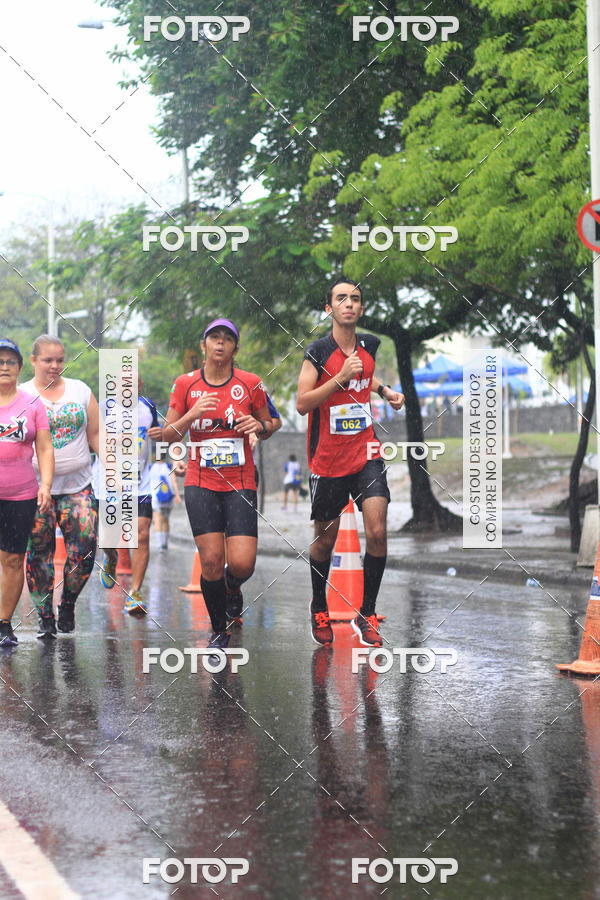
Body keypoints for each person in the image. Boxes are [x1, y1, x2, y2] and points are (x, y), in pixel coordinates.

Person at [296, 278, 404, 647]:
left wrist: (385, 390)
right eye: (341, 299)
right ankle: (319, 605)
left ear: (361, 308)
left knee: (376, 531)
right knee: (324, 543)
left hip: (366, 453)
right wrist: (339, 378)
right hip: (327, 460)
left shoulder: (369, 345)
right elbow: (302, 402)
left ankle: (367, 611)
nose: (349, 304)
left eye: (355, 299)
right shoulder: (318, 351)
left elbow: (367, 374)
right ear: (329, 308)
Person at [163, 318, 274, 657]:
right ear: (204, 346)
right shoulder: (185, 384)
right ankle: (217, 630)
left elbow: (272, 421)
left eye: (228, 339)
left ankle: (231, 586)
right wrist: (191, 414)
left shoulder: (250, 383)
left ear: (234, 349)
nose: (221, 344)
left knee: (242, 564)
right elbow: (168, 433)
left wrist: (260, 424)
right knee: (211, 561)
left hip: (240, 481)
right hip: (201, 481)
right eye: (215, 338)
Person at [21, 335, 99, 638]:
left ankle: (67, 603)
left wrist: (115, 466)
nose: (55, 366)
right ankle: (45, 616)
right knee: (39, 552)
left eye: (60, 360)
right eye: (48, 360)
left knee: (85, 549)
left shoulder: (80, 391)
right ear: (34, 361)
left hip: (77, 485)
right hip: (33, 488)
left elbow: (95, 434)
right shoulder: (21, 394)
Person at [0, 339, 54, 646]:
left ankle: (4, 623)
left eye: (10, 361)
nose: (4, 367)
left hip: (20, 495)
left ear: (20, 367)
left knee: (11, 559)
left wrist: (45, 485)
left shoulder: (32, 405)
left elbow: (45, 448)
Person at [98, 378, 163, 615]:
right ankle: (110, 557)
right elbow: (92, 438)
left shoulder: (148, 406)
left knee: (142, 534)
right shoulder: (104, 407)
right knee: (108, 538)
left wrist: (160, 435)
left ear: (140, 383)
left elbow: (158, 436)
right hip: (109, 481)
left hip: (140, 482)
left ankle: (135, 593)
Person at [149, 456, 181, 550]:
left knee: (158, 519)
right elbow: (174, 481)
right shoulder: (169, 466)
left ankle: (160, 545)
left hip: (156, 498)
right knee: (166, 520)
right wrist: (177, 495)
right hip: (168, 498)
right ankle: (165, 543)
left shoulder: (150, 467)